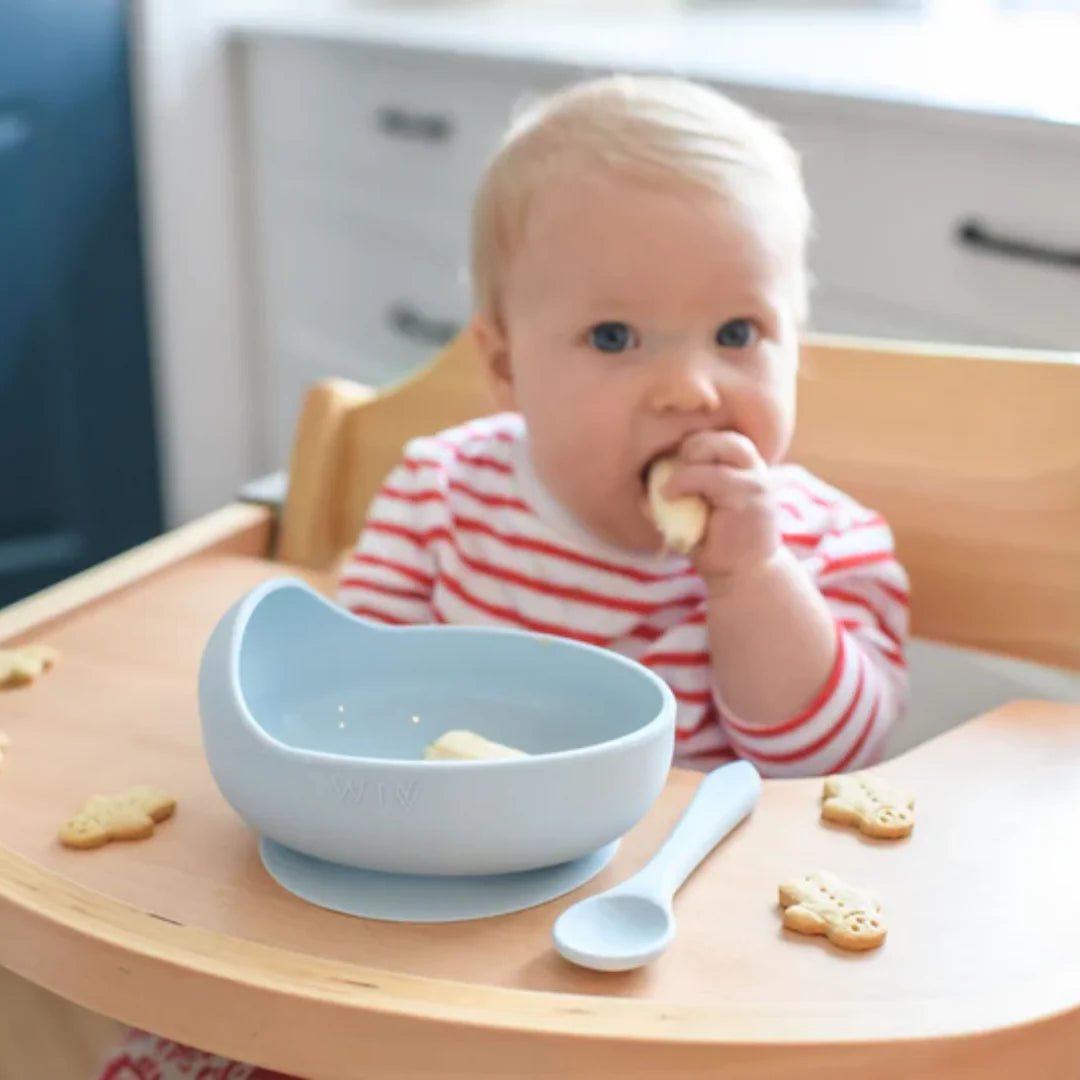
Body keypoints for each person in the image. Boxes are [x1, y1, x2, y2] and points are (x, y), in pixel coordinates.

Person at [91, 73, 908, 1080]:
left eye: (738, 334)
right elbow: (348, 710)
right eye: (615, 337)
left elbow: (830, 753)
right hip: (427, 921)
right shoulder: (445, 493)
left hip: (671, 952)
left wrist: (754, 576)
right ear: (507, 363)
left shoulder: (824, 539)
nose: (691, 388)